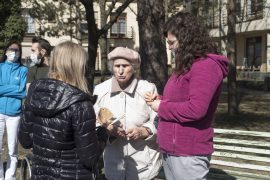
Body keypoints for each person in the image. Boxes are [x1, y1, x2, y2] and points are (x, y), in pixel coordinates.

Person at [145, 12, 229, 180]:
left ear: (186, 39)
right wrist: (160, 100)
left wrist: (161, 107)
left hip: (188, 152)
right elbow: (180, 101)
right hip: (172, 148)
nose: (169, 47)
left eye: (172, 42)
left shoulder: (206, 66)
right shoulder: (187, 65)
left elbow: (196, 109)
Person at [19, 41, 107, 180]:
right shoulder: (80, 104)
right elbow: (89, 158)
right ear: (78, 67)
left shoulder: (34, 94)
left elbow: (25, 141)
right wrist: (103, 132)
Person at [93, 47, 162, 180]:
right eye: (116, 66)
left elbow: (160, 119)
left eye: (125, 66)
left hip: (144, 166)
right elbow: (93, 121)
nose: (120, 70)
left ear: (134, 67)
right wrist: (107, 130)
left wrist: (145, 131)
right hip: (114, 165)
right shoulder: (100, 90)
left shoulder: (147, 89)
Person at [0, 40, 28, 180]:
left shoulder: (23, 70)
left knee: (12, 148)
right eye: (12, 49)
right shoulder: (0, 67)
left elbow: (23, 92)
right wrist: (14, 89)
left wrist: (3, 89)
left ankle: (10, 177)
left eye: (17, 50)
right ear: (6, 51)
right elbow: (18, 90)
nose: (14, 52)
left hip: (15, 114)